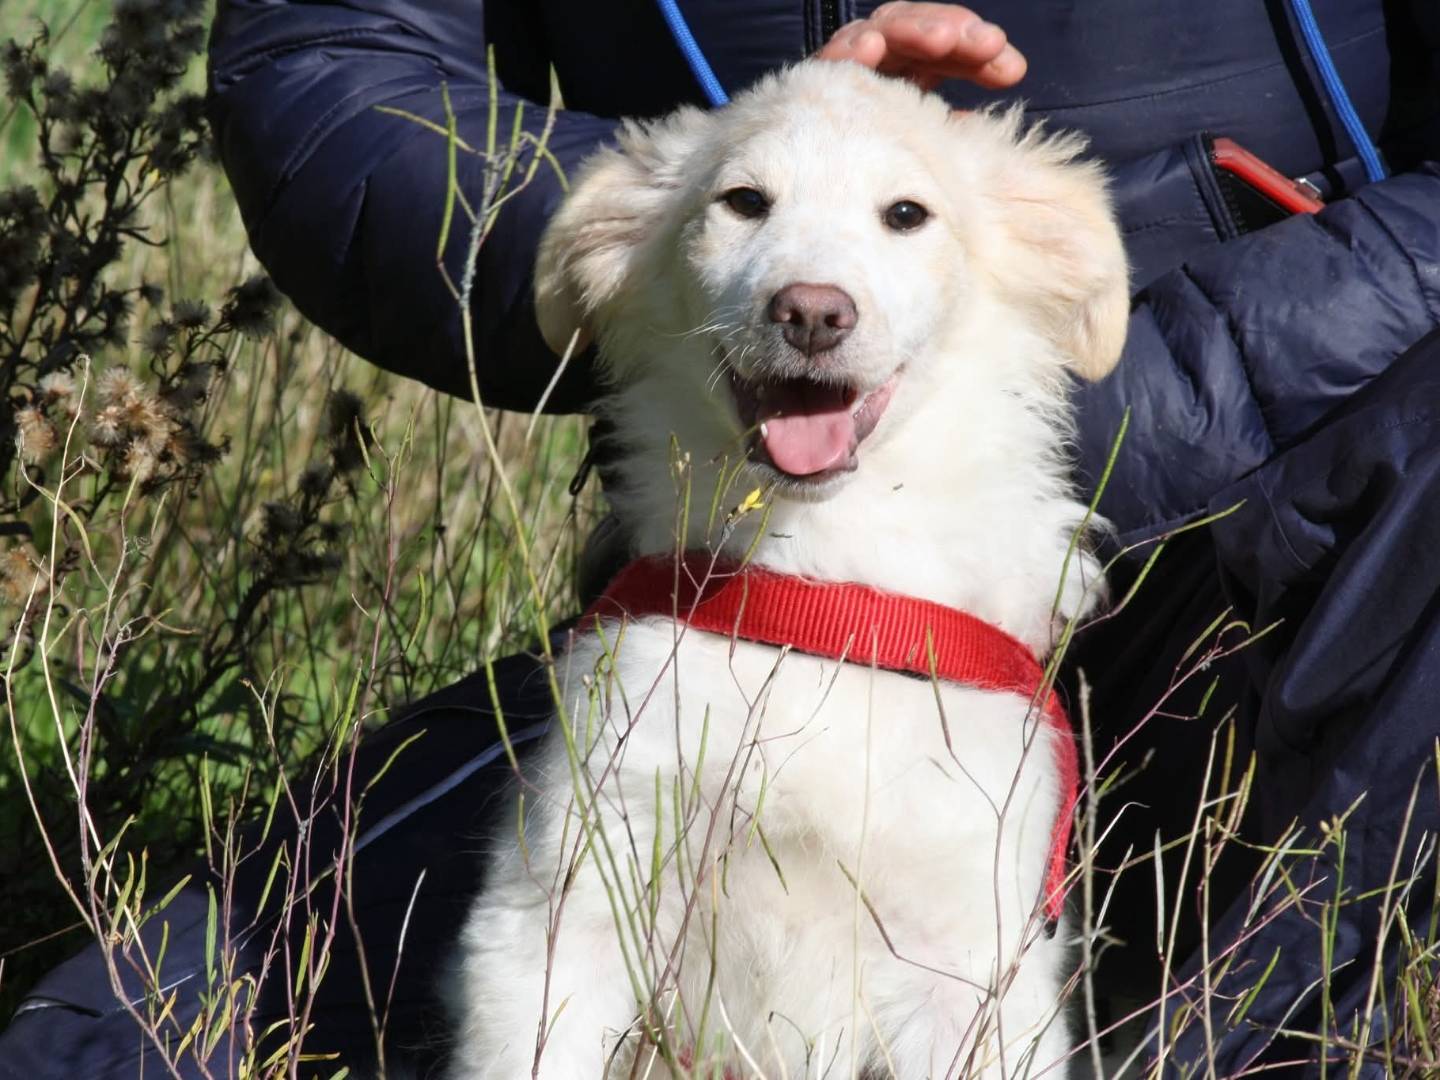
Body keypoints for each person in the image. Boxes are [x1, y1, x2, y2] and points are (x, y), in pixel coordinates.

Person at [3, 3, 1438, 1077]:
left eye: (890, 218)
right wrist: (659, 211)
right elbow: (336, 52)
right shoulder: (686, 288)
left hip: (1325, 555)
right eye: (751, 216)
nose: (813, 286)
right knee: (99, 1049)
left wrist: (1146, 404)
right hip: (717, 595)